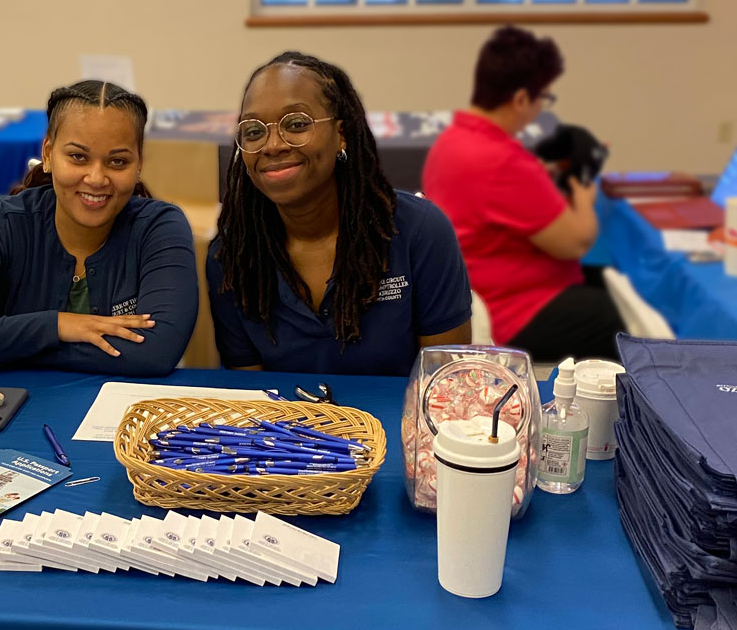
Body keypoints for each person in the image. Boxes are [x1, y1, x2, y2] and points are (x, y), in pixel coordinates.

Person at [0, 81, 199, 376]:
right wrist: (57, 325)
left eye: (117, 161)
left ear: (138, 165)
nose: (96, 178)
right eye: (78, 157)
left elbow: (154, 354)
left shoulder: (160, 228)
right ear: (47, 154)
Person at [207, 52, 471, 374]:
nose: (272, 145)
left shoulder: (420, 232)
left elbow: (445, 383)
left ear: (341, 135)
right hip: (286, 425)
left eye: (296, 124)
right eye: (254, 131)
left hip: (399, 422)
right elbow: (251, 396)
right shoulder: (233, 256)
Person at [422, 26, 623, 361]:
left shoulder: (452, 141)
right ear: (519, 99)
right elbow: (574, 242)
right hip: (510, 309)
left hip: (474, 285)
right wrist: (585, 199)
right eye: (543, 98)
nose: (541, 107)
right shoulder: (503, 161)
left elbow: (490, 198)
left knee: (601, 282)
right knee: (614, 316)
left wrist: (536, 182)